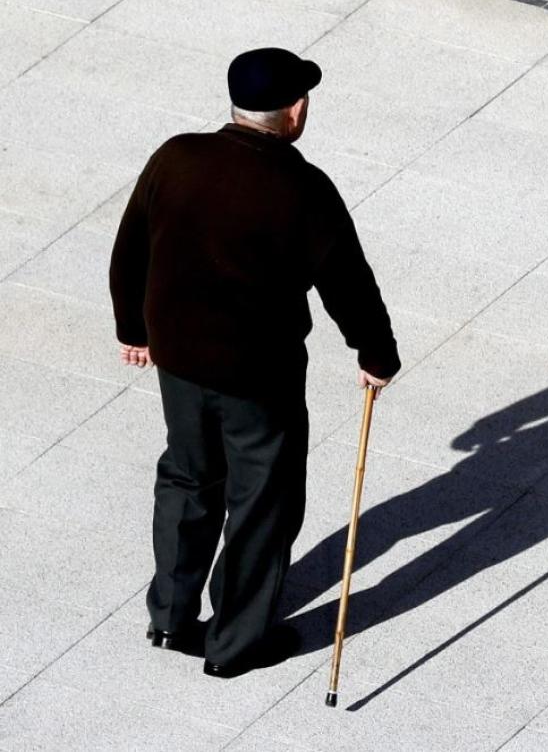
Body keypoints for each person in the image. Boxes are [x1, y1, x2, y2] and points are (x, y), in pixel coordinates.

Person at [108, 47, 401, 678]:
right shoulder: (303, 188)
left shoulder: (176, 156)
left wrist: (132, 327)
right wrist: (376, 354)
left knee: (187, 479)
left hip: (179, 364)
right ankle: (236, 643)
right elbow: (348, 283)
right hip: (256, 379)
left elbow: (130, 247)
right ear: (294, 111)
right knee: (261, 501)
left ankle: (170, 616)